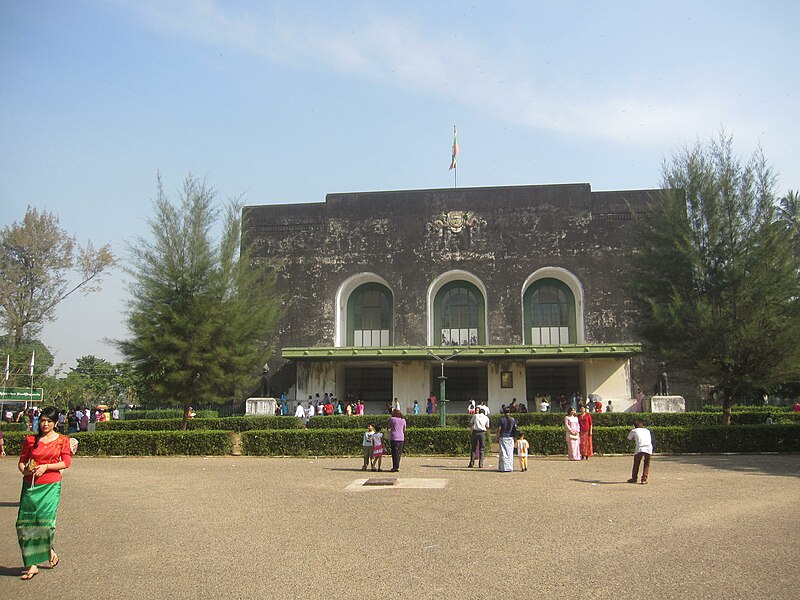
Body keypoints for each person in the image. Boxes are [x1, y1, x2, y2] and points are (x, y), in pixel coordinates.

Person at [16, 406, 74, 580]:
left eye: (49, 421)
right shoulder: (31, 440)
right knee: (25, 524)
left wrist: (47, 467)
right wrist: (25, 470)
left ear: (56, 423)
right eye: (42, 421)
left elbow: (66, 463)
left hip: (50, 485)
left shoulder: (62, 440)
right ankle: (33, 563)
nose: (45, 424)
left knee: (43, 522)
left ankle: (44, 551)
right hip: (31, 486)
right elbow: (22, 462)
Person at [627, 418, 653, 484]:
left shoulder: (634, 431)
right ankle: (644, 478)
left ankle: (634, 478)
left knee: (636, 463)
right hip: (648, 447)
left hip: (640, 448)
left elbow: (629, 439)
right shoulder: (647, 430)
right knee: (646, 464)